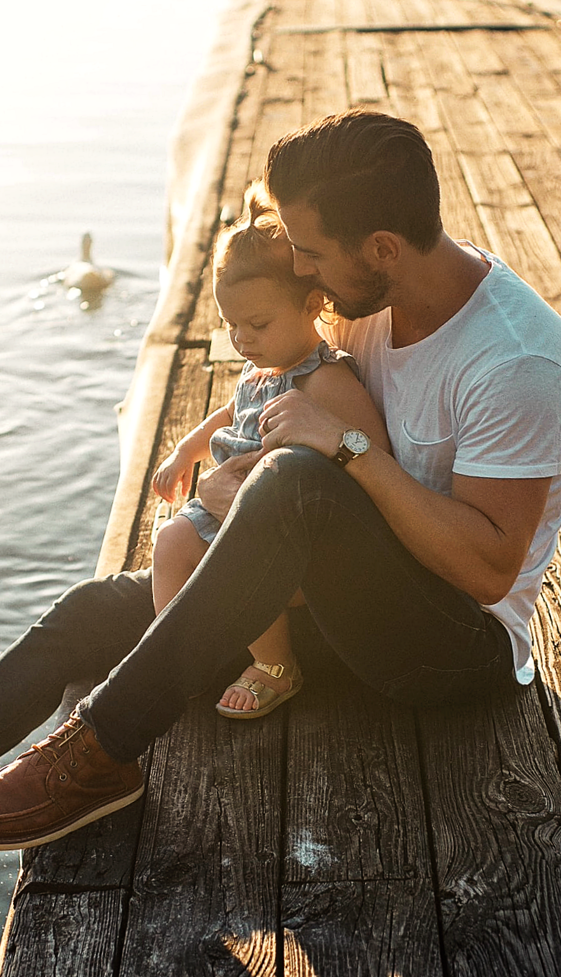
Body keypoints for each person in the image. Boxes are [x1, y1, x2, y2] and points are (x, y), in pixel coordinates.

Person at [0, 109, 561, 854]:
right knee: (96, 608)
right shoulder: (369, 298)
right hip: (336, 589)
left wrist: (346, 449)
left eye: (311, 254)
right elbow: (281, 382)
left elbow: (486, 572)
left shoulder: (515, 361)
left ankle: (96, 751)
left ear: (381, 247)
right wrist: (229, 483)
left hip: (449, 645)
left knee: (293, 484)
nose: (301, 272)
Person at [150, 181, 389, 718]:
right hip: (229, 502)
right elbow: (230, 414)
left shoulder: (325, 381)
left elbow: (371, 454)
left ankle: (277, 667)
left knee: (240, 565)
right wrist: (186, 451)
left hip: (287, 530)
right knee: (169, 541)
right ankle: (177, 654)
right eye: (231, 325)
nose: (241, 340)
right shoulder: (265, 368)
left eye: (257, 324)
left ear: (311, 306)